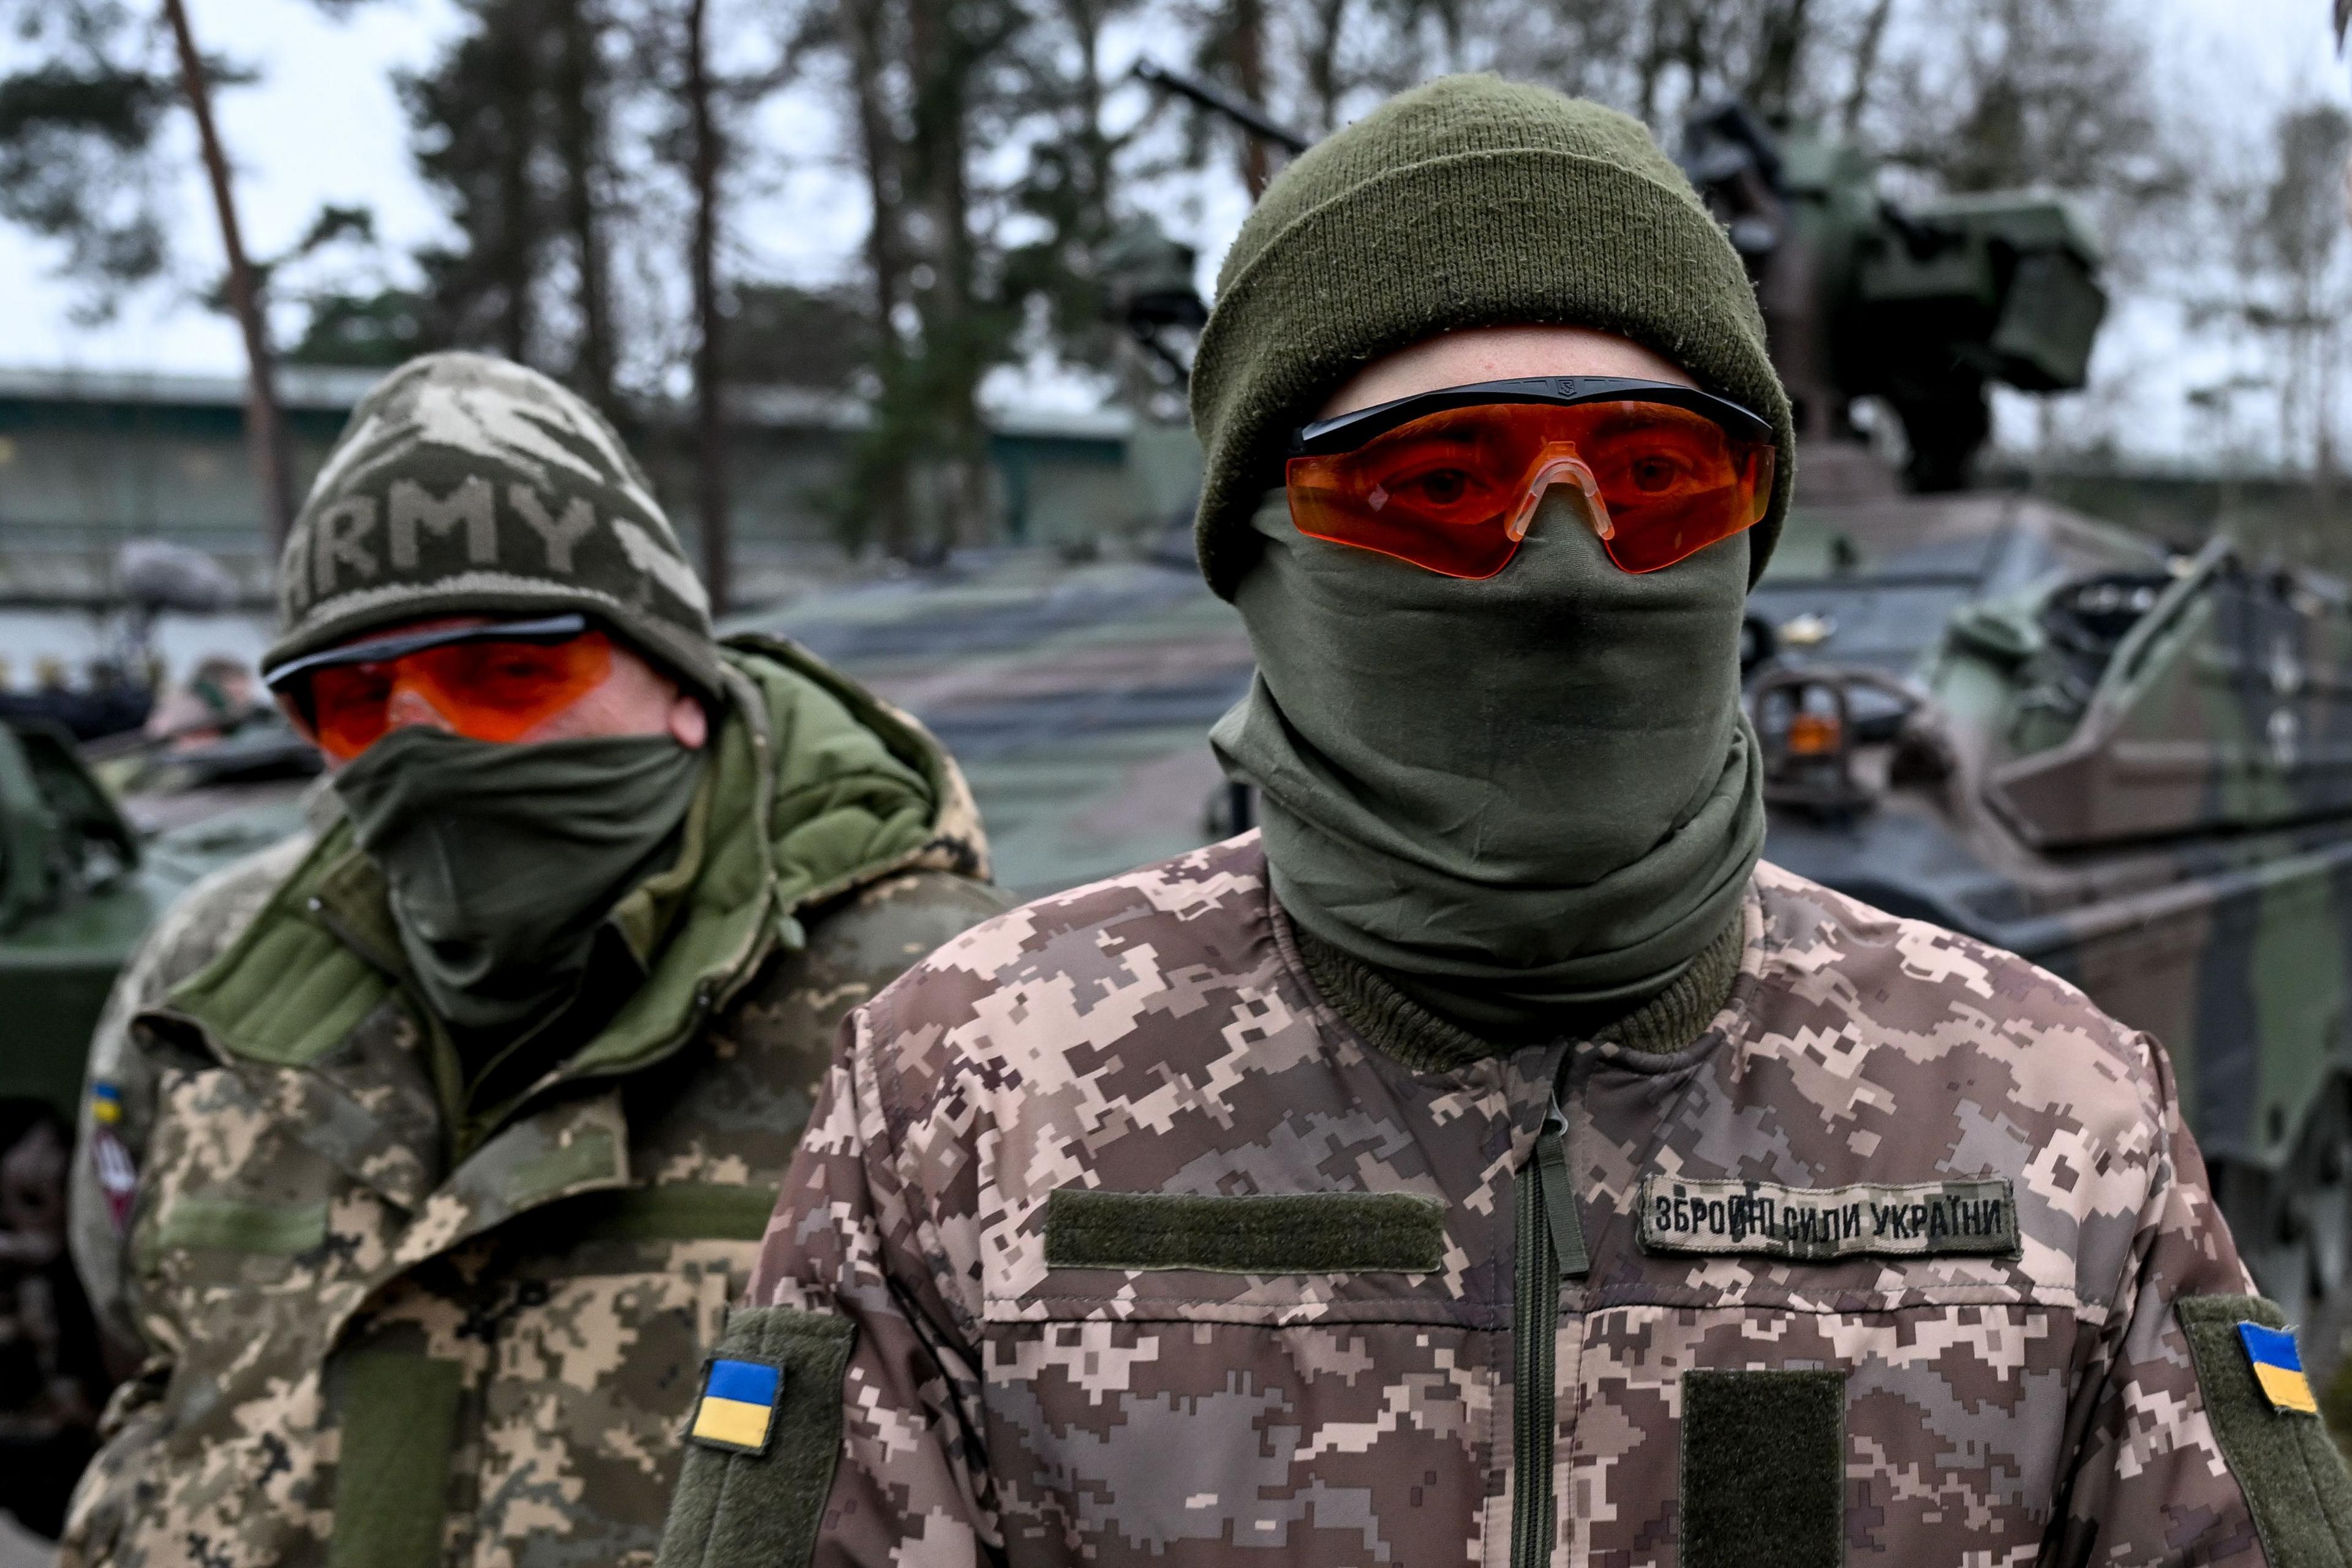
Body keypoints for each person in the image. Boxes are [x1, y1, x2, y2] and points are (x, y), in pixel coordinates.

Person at [655, 78, 2352, 1568]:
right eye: (1435, 485)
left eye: (1662, 478)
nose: (1565, 562)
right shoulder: (964, 1099)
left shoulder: (2055, 1109)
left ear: (1746, 533)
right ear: (1257, 544)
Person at [58, 351, 1009, 1567]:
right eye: (352, 700)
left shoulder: (940, 1006)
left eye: (503, 674)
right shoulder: (215, 982)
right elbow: (147, 1355)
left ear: (676, 677)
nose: (422, 740)